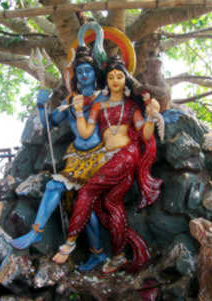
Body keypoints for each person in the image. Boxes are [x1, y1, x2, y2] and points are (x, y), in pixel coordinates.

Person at [52, 56, 162, 273]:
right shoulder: (98, 106)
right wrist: (78, 111)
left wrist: (150, 117)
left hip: (127, 155)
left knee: (87, 192)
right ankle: (119, 255)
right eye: (110, 76)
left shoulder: (131, 107)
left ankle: (69, 243)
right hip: (106, 158)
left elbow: (145, 135)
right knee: (111, 205)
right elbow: (84, 132)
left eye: (119, 76)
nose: (114, 80)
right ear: (106, 80)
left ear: (125, 80)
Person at [10, 45, 108, 272]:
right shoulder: (70, 101)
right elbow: (48, 123)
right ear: (75, 76)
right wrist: (40, 105)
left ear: (95, 74)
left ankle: (97, 253)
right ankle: (36, 232)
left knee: (88, 208)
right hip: (75, 156)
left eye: (88, 71)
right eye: (80, 71)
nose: (84, 75)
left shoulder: (102, 97)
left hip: (97, 158)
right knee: (55, 186)